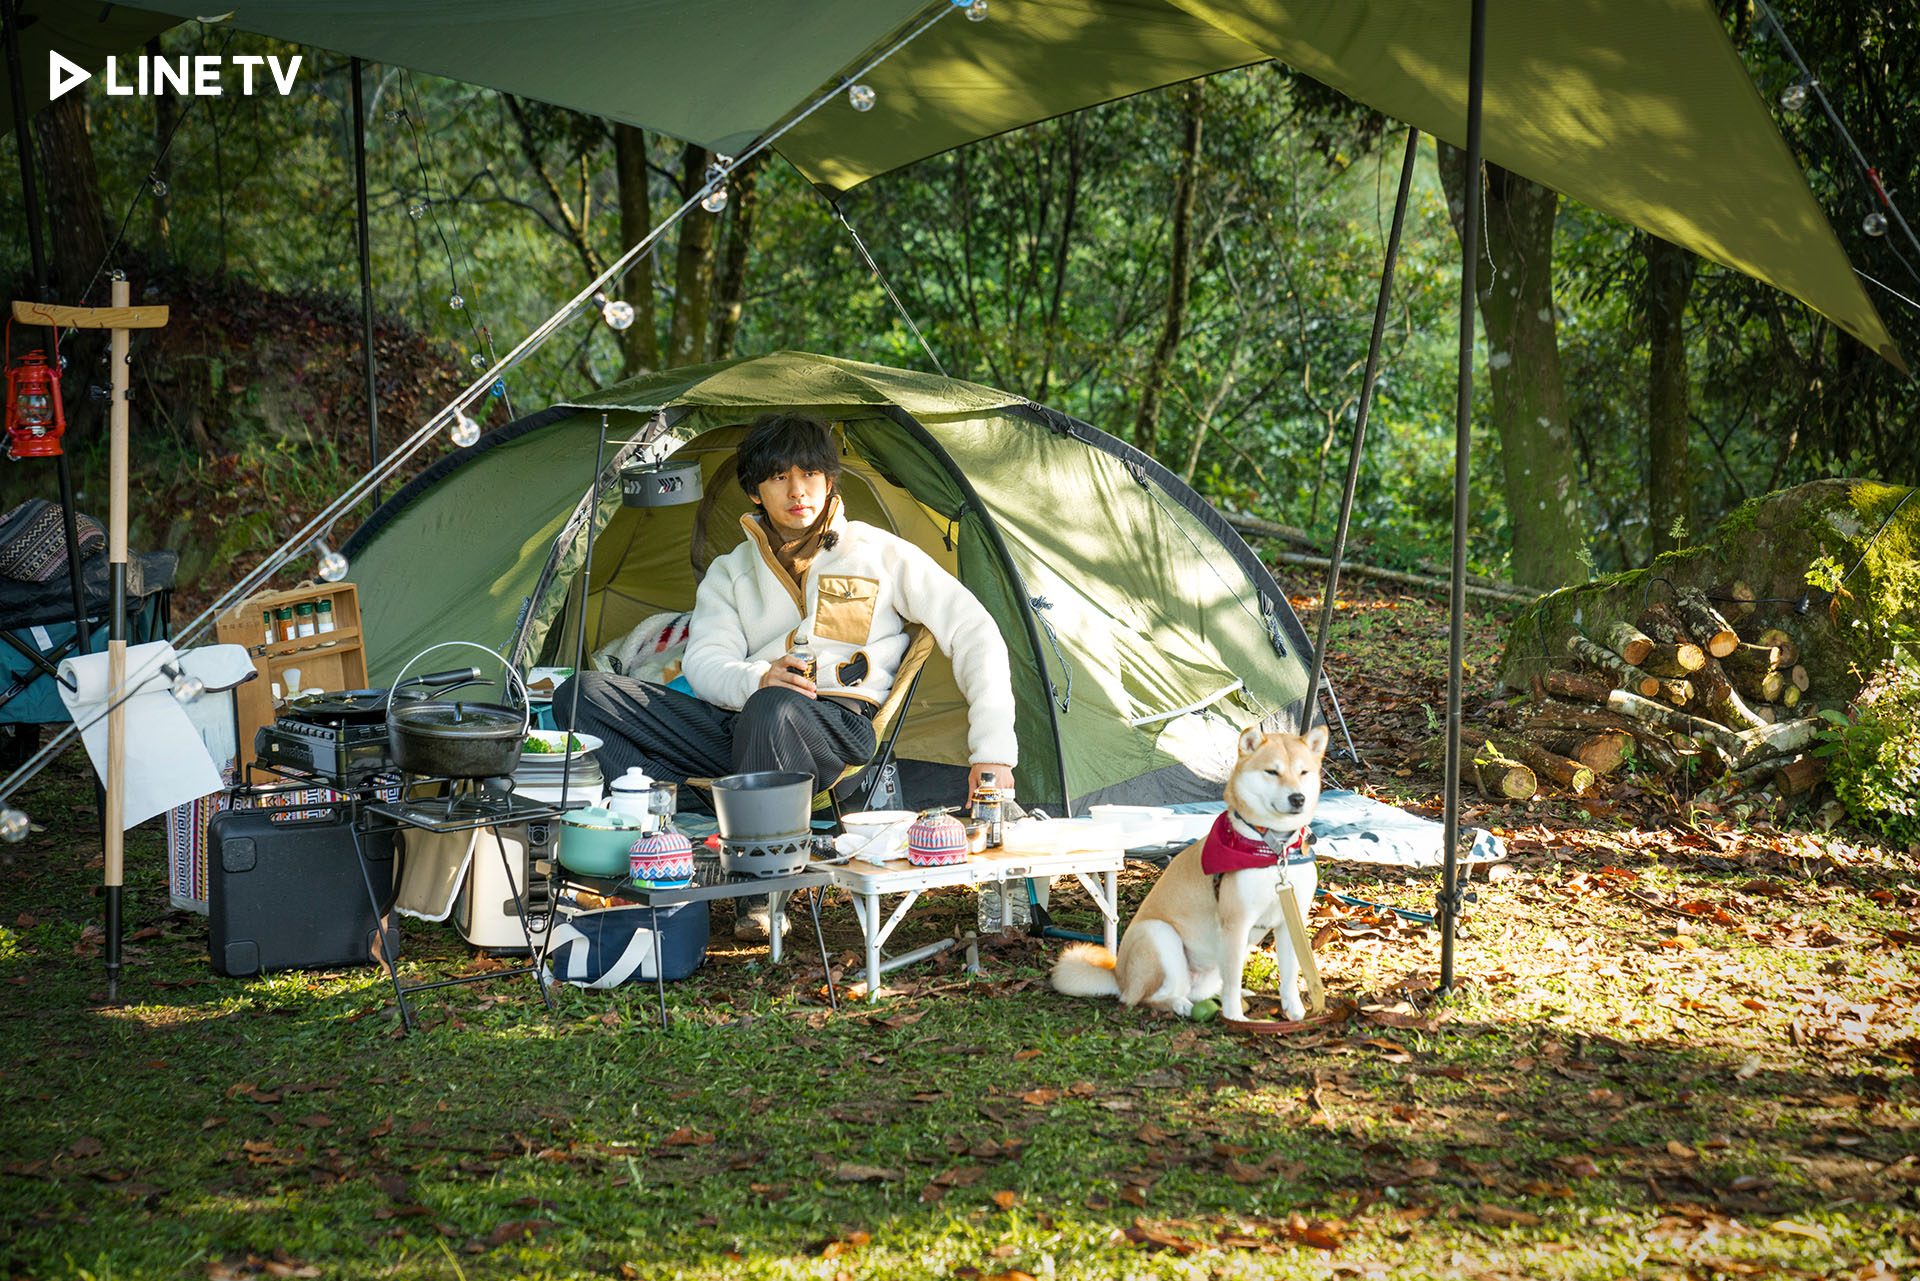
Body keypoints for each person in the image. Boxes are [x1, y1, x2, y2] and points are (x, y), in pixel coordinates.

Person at [553, 412, 1017, 940]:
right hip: (736, 722)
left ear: (829, 481)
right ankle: (667, 841)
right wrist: (756, 678)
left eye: (810, 474)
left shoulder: (878, 552)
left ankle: (757, 896)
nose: (798, 490)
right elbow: (705, 663)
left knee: (774, 711)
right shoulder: (731, 571)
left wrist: (992, 753)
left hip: (831, 729)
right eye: (779, 477)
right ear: (754, 491)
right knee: (581, 695)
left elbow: (975, 630)